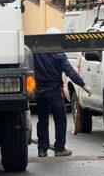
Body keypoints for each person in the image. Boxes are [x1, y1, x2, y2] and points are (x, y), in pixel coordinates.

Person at [34, 27, 92, 157]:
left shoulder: (36, 53)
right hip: (54, 90)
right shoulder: (59, 54)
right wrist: (83, 85)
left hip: (40, 91)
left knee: (42, 120)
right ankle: (60, 148)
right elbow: (70, 73)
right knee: (60, 119)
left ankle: (42, 150)